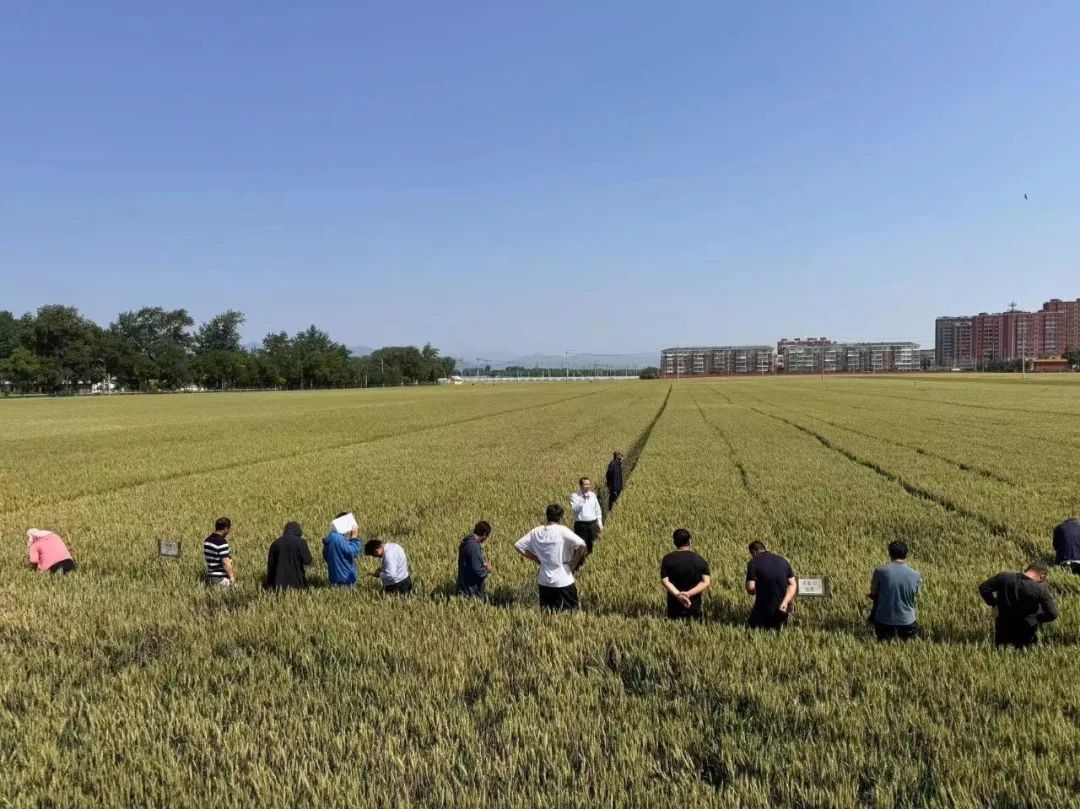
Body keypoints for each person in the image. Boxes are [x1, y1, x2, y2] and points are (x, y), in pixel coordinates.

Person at [515, 504, 588, 612]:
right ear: (561, 517)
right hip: (563, 579)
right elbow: (582, 545)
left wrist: (535, 558)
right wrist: (573, 563)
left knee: (547, 614)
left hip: (544, 581)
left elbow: (518, 545)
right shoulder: (562, 530)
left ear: (547, 516)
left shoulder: (536, 531)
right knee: (571, 614)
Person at [979, 562, 1058, 648]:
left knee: (1002, 653)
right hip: (1026, 633)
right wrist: (1037, 618)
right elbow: (1052, 614)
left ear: (1027, 570)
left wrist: (994, 604)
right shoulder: (1040, 589)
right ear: (1042, 576)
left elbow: (983, 588)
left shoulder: (1004, 577)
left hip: (1002, 631)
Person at [868, 540, 922, 641]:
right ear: (907, 555)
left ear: (889, 554)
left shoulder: (880, 571)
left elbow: (873, 594)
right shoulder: (916, 575)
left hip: (883, 622)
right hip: (908, 622)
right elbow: (915, 595)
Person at [659, 528, 711, 620]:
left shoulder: (667, 559)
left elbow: (665, 581)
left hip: (673, 609)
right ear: (689, 541)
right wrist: (689, 594)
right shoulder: (699, 560)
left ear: (674, 542)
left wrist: (679, 595)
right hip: (694, 608)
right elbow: (706, 582)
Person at [745, 540, 796, 630]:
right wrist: (785, 602)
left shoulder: (753, 563)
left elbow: (751, 588)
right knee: (779, 633)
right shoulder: (783, 560)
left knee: (751, 630)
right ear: (765, 548)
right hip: (783, 609)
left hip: (763, 608)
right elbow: (792, 585)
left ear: (753, 552)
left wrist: (761, 589)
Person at [265, 522, 313, 591]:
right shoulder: (301, 542)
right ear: (298, 530)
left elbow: (271, 566)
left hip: (278, 584)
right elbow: (308, 560)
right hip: (297, 582)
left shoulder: (275, 543)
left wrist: (269, 584)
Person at [323, 512, 363, 586]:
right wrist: (354, 537)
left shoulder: (329, 538)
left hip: (334, 578)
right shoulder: (339, 539)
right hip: (346, 579)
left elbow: (326, 557)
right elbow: (353, 552)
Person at [457, 521, 492, 599]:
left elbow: (470, 564)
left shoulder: (465, 541)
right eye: (487, 536)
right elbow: (478, 571)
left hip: (462, 586)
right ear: (484, 534)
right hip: (471, 590)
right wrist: (487, 569)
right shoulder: (474, 547)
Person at [569, 478, 603, 555]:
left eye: (589, 484)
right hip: (581, 526)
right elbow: (575, 509)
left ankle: (592, 562)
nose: (588, 486)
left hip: (593, 524)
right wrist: (583, 499)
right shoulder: (574, 496)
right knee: (580, 546)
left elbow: (597, 510)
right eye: (585, 484)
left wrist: (600, 523)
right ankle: (580, 564)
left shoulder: (593, 495)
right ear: (581, 486)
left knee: (594, 545)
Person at [203, 517, 235, 587]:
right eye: (229, 528)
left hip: (210, 578)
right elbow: (225, 561)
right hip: (221, 579)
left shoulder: (207, 540)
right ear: (226, 528)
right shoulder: (222, 542)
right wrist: (231, 576)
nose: (229, 531)